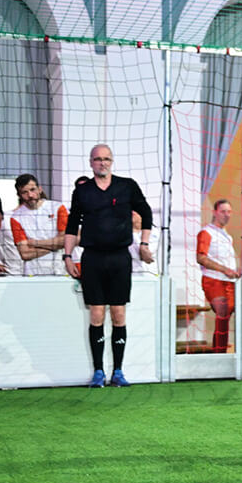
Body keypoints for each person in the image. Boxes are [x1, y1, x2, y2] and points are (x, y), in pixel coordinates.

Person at [63, 144, 153, 387]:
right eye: (97, 159)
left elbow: (146, 213)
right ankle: (98, 372)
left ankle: (119, 372)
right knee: (96, 314)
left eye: (106, 159)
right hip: (92, 258)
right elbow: (72, 224)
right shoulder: (82, 191)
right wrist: (68, 256)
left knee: (118, 313)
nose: (102, 163)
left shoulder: (127, 186)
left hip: (119, 258)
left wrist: (144, 244)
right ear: (90, 162)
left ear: (112, 161)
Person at [197, 199, 239, 353]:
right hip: (213, 279)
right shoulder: (206, 233)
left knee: (227, 315)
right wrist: (224, 269)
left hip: (229, 281)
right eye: (223, 211)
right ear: (214, 212)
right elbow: (201, 258)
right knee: (222, 312)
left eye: (229, 212)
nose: (226, 215)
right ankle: (219, 352)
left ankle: (222, 350)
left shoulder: (227, 236)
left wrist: (235, 270)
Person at [9, 173, 68, 276]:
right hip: (32, 274)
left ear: (40, 189)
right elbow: (25, 254)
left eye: (33, 190)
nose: (30, 195)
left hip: (59, 270)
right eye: (24, 192)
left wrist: (35, 243)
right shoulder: (16, 217)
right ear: (19, 195)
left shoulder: (58, 208)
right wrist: (55, 245)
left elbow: (65, 241)